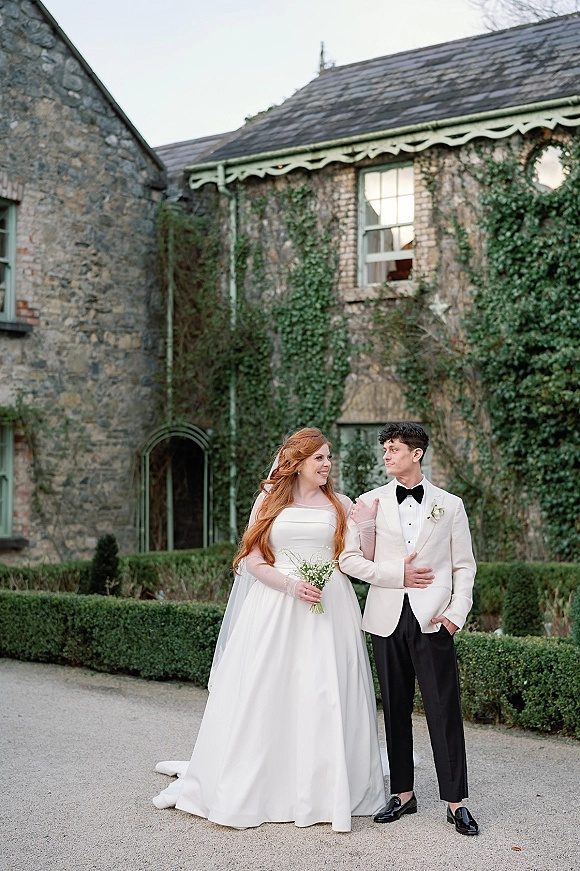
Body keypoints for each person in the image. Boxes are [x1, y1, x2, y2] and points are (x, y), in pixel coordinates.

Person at [153, 427, 385, 832]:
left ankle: (323, 786)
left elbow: (357, 561)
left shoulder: (341, 503)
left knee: (325, 689)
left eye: (329, 458)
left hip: (331, 604)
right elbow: (253, 562)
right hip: (277, 603)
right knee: (269, 688)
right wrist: (291, 585)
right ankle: (265, 783)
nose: (328, 465)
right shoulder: (268, 501)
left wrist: (366, 526)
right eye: (320, 459)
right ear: (296, 464)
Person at [340, 422, 479, 836]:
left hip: (434, 620)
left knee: (444, 710)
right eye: (385, 449)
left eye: (394, 448)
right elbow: (349, 560)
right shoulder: (368, 503)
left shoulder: (450, 504)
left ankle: (456, 803)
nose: (386, 455)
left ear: (416, 454)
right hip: (385, 617)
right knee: (395, 709)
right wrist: (395, 574)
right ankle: (402, 793)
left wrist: (457, 611)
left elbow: (464, 566)